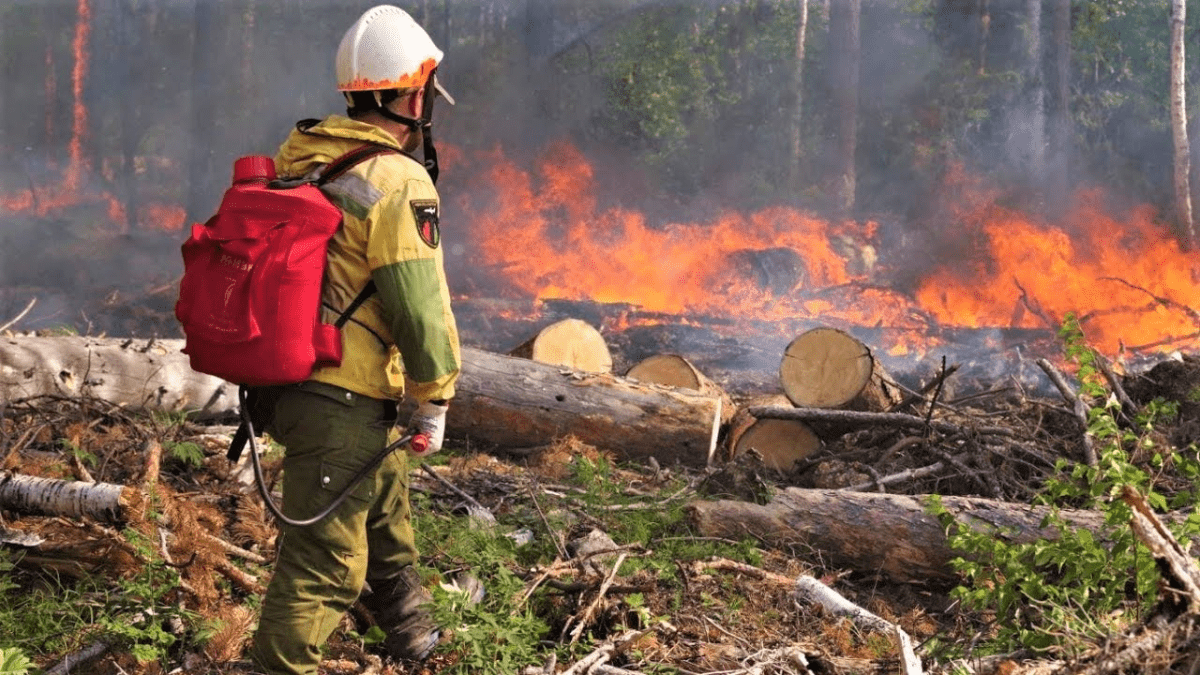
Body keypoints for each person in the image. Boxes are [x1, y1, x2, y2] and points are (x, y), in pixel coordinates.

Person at [246, 6, 465, 674]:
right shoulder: (398, 180)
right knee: (323, 567)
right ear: (414, 97)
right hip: (339, 394)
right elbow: (419, 308)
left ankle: (410, 631)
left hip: (286, 383)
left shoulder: (303, 156)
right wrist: (435, 395)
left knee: (381, 489)